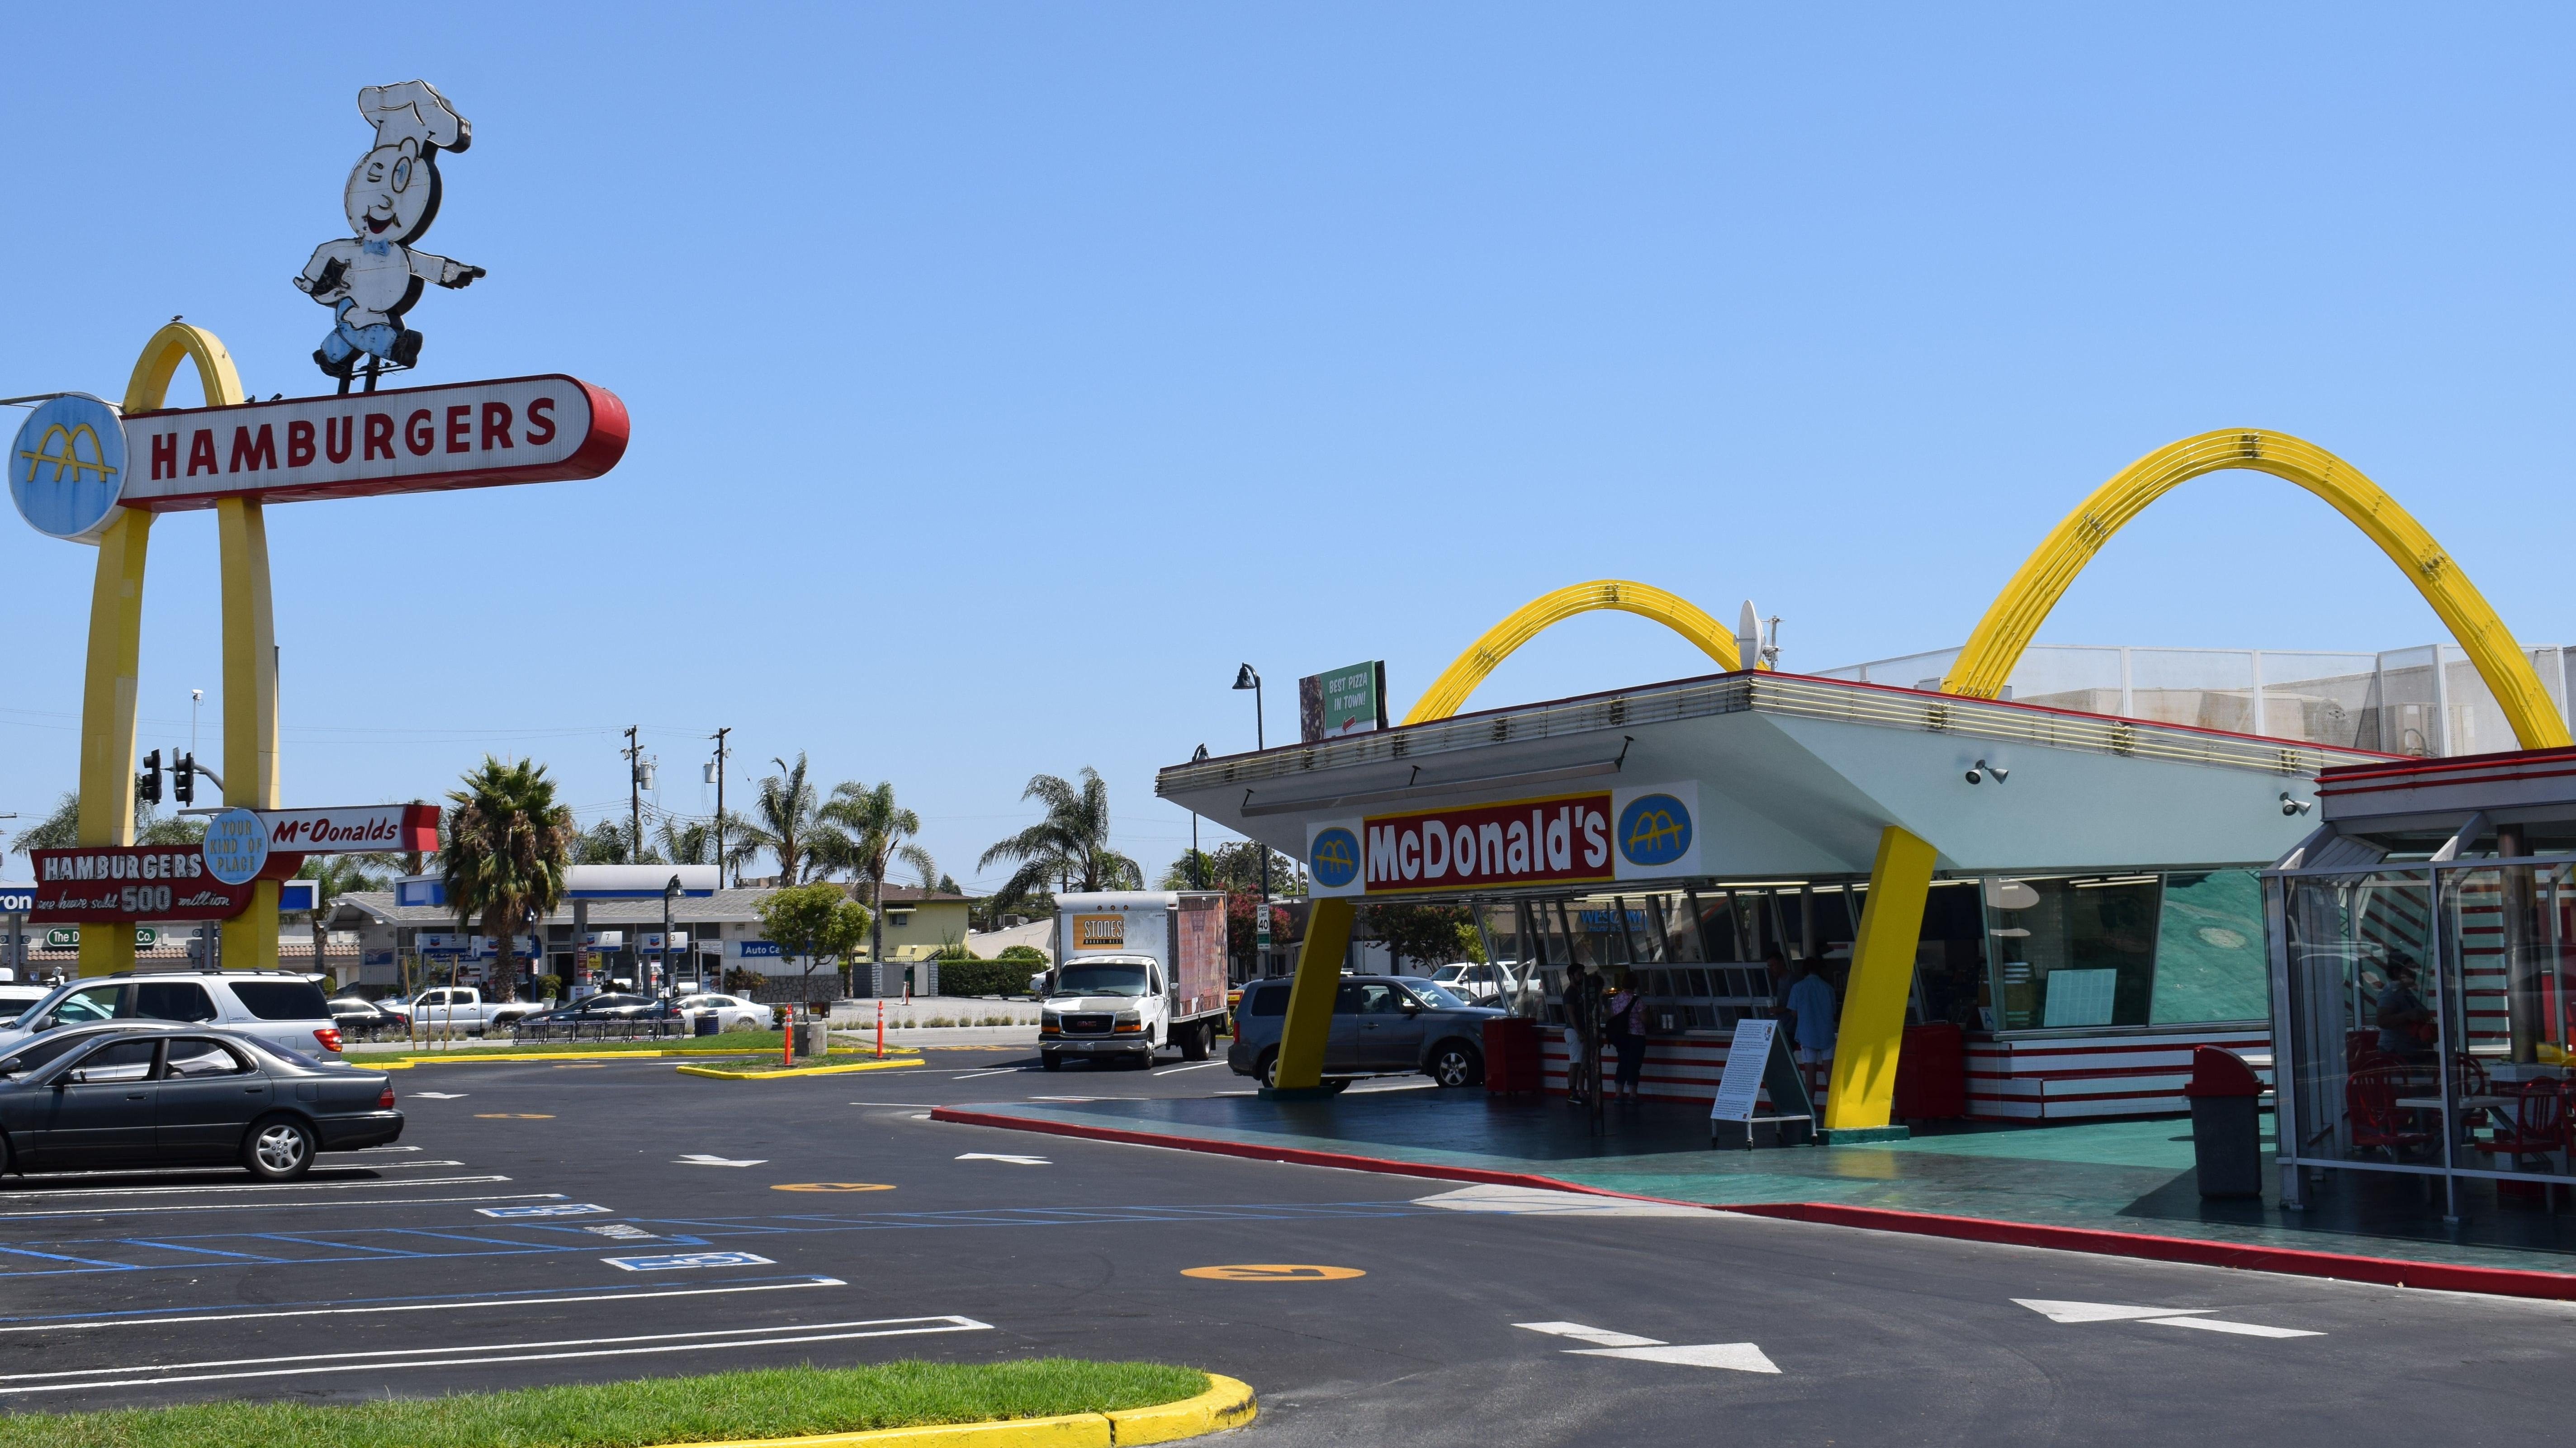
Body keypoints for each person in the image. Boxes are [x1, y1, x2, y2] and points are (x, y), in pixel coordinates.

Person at [1782, 954, 1839, 1101]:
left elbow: (1794, 1012)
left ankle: (1811, 1109)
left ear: (1804, 970)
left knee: (1810, 1074)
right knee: (1830, 1073)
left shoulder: (1798, 988)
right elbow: (1834, 1011)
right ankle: (1834, 1107)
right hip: (1827, 1034)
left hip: (1807, 1036)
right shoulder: (1828, 988)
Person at [1561, 961, 1602, 1105]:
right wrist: (1579, 1032)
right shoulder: (1570, 993)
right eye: (1579, 975)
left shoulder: (1576, 992)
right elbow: (1571, 1013)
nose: (1581, 978)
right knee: (1575, 1063)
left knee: (1579, 1063)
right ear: (1571, 976)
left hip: (1578, 1031)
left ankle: (1579, 1092)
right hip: (1574, 1032)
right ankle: (1572, 1092)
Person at [1603, 977, 1650, 1102]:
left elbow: (1613, 1017)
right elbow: (1645, 1020)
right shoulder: (1637, 1001)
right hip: (1636, 1036)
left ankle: (1618, 1095)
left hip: (1621, 1037)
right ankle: (1633, 1096)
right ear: (1635, 985)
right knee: (1634, 1065)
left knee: (1622, 1064)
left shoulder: (1616, 999)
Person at [2375, 960, 2434, 1058]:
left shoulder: (2404, 991)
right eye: (2409, 970)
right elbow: (2382, 1021)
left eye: (2415, 970)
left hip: (2411, 1051)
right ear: (2396, 972)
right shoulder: (2391, 992)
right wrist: (2407, 1015)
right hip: (2398, 1054)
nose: (2414, 974)